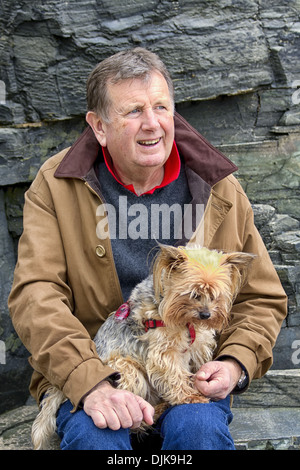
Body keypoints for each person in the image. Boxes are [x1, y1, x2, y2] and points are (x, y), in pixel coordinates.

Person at [8, 48, 287, 450]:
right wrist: (89, 381)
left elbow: (261, 296)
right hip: (103, 368)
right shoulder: (55, 185)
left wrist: (234, 362)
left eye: (161, 106)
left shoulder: (218, 185)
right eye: (134, 111)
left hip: (189, 369)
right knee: (94, 438)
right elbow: (35, 297)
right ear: (99, 126)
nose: (152, 124)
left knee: (199, 432)